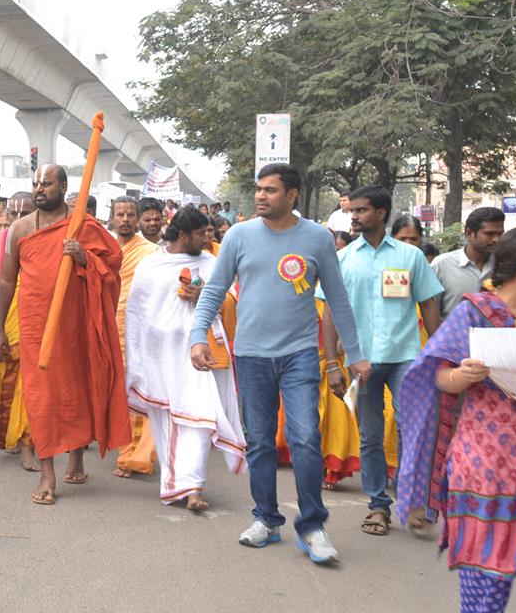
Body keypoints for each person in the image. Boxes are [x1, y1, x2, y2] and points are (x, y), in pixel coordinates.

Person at [190, 163, 368, 564]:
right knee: (260, 441)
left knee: (305, 437)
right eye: (259, 189)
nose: (260, 196)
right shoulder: (239, 235)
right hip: (251, 355)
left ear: (291, 195)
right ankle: (267, 519)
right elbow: (215, 289)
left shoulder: (317, 238)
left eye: (270, 190)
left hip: (300, 354)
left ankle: (312, 526)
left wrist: (353, 355)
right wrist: (197, 335)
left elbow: (337, 298)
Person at [397, 228, 516, 612]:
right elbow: (436, 375)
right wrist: (463, 375)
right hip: (487, 467)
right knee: (485, 592)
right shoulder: (475, 312)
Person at [0, 163, 131, 505]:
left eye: (47, 184)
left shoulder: (83, 226)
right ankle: (47, 473)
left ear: (64, 187)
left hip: (74, 323)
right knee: (41, 397)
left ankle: (77, 457)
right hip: (35, 325)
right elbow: (7, 280)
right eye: (36, 184)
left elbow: (112, 265)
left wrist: (84, 258)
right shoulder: (21, 228)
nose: (39, 189)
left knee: (76, 389)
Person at [319, 186, 443, 536]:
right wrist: (332, 363)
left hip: (407, 359)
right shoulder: (343, 258)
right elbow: (330, 312)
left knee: (412, 429)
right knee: (371, 436)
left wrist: (441, 352)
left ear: (381, 213)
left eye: (361, 210)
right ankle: (378, 506)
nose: (354, 216)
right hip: (361, 361)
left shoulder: (410, 256)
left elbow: (428, 304)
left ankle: (411, 498)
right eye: (353, 211)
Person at [126, 205, 246, 509]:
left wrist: (205, 295)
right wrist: (138, 357)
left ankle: (193, 489)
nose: (207, 239)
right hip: (161, 356)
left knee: (198, 417)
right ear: (182, 234)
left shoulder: (211, 263)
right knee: (167, 420)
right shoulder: (152, 265)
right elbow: (138, 314)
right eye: (201, 234)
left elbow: (230, 299)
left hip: (200, 354)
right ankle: (175, 484)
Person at [105, 196, 160, 479]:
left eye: (130, 215)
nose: (125, 219)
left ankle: (135, 457)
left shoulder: (151, 253)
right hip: (109, 328)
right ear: (112, 218)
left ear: (137, 219)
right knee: (117, 394)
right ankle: (123, 447)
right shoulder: (103, 248)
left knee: (138, 391)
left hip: (140, 332)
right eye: (120, 214)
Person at [0, 191, 38, 470]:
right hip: (7, 315)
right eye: (13, 214)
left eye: (24, 213)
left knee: (28, 384)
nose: (18, 220)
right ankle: (15, 434)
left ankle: (28, 442)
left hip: (35, 315)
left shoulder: (45, 237)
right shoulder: (0, 241)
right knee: (6, 375)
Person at [431, 207, 505, 317]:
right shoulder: (442, 265)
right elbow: (430, 310)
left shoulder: (504, 265)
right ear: (469, 233)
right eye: (489, 234)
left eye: (500, 234)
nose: (496, 240)